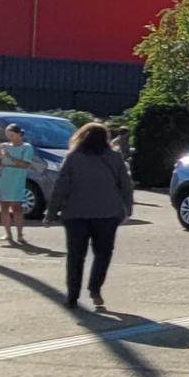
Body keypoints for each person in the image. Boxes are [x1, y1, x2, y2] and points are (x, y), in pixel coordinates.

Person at [45, 121, 133, 310]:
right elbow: (126, 185)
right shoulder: (115, 158)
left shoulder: (73, 158)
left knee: (76, 256)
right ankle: (95, 287)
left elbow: (61, 187)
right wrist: (128, 209)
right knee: (103, 253)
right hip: (108, 213)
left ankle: (72, 296)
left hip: (75, 213)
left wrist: (51, 213)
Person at [0, 123, 38, 246]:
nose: (10, 138)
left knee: (17, 207)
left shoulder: (27, 147)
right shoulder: (5, 146)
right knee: (4, 206)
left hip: (17, 179)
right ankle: (8, 234)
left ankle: (20, 235)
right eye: (8, 135)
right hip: (3, 177)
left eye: (12, 135)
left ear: (19, 134)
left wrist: (8, 157)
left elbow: (25, 164)